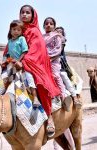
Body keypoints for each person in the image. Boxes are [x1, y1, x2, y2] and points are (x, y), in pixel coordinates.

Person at [4, 5, 61, 137]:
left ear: (33, 16)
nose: (24, 15)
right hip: (15, 64)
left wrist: (23, 62)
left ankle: (50, 117)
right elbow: (9, 48)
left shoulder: (34, 31)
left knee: (40, 84)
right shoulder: (17, 30)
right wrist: (7, 60)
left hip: (33, 64)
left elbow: (36, 50)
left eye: (27, 13)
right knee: (2, 84)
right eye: (22, 12)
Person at [43, 17, 81, 109]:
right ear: (43, 26)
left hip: (55, 62)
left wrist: (50, 58)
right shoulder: (42, 37)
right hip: (43, 61)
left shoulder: (57, 38)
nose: (48, 25)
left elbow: (57, 51)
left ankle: (67, 97)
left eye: (51, 24)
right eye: (46, 23)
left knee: (59, 75)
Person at [2, 19, 40, 107]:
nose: (16, 32)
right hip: (12, 63)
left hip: (22, 62)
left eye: (18, 30)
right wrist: (5, 62)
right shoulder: (10, 41)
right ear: (10, 31)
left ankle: (35, 98)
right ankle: (4, 96)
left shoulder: (21, 39)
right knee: (6, 78)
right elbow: (8, 54)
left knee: (29, 77)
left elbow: (24, 51)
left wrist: (18, 61)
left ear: (21, 31)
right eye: (14, 29)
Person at [55, 26, 82, 108]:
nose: (58, 33)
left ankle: (74, 97)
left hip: (60, 66)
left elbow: (57, 52)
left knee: (63, 76)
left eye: (60, 32)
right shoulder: (50, 41)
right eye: (56, 32)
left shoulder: (61, 42)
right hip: (51, 65)